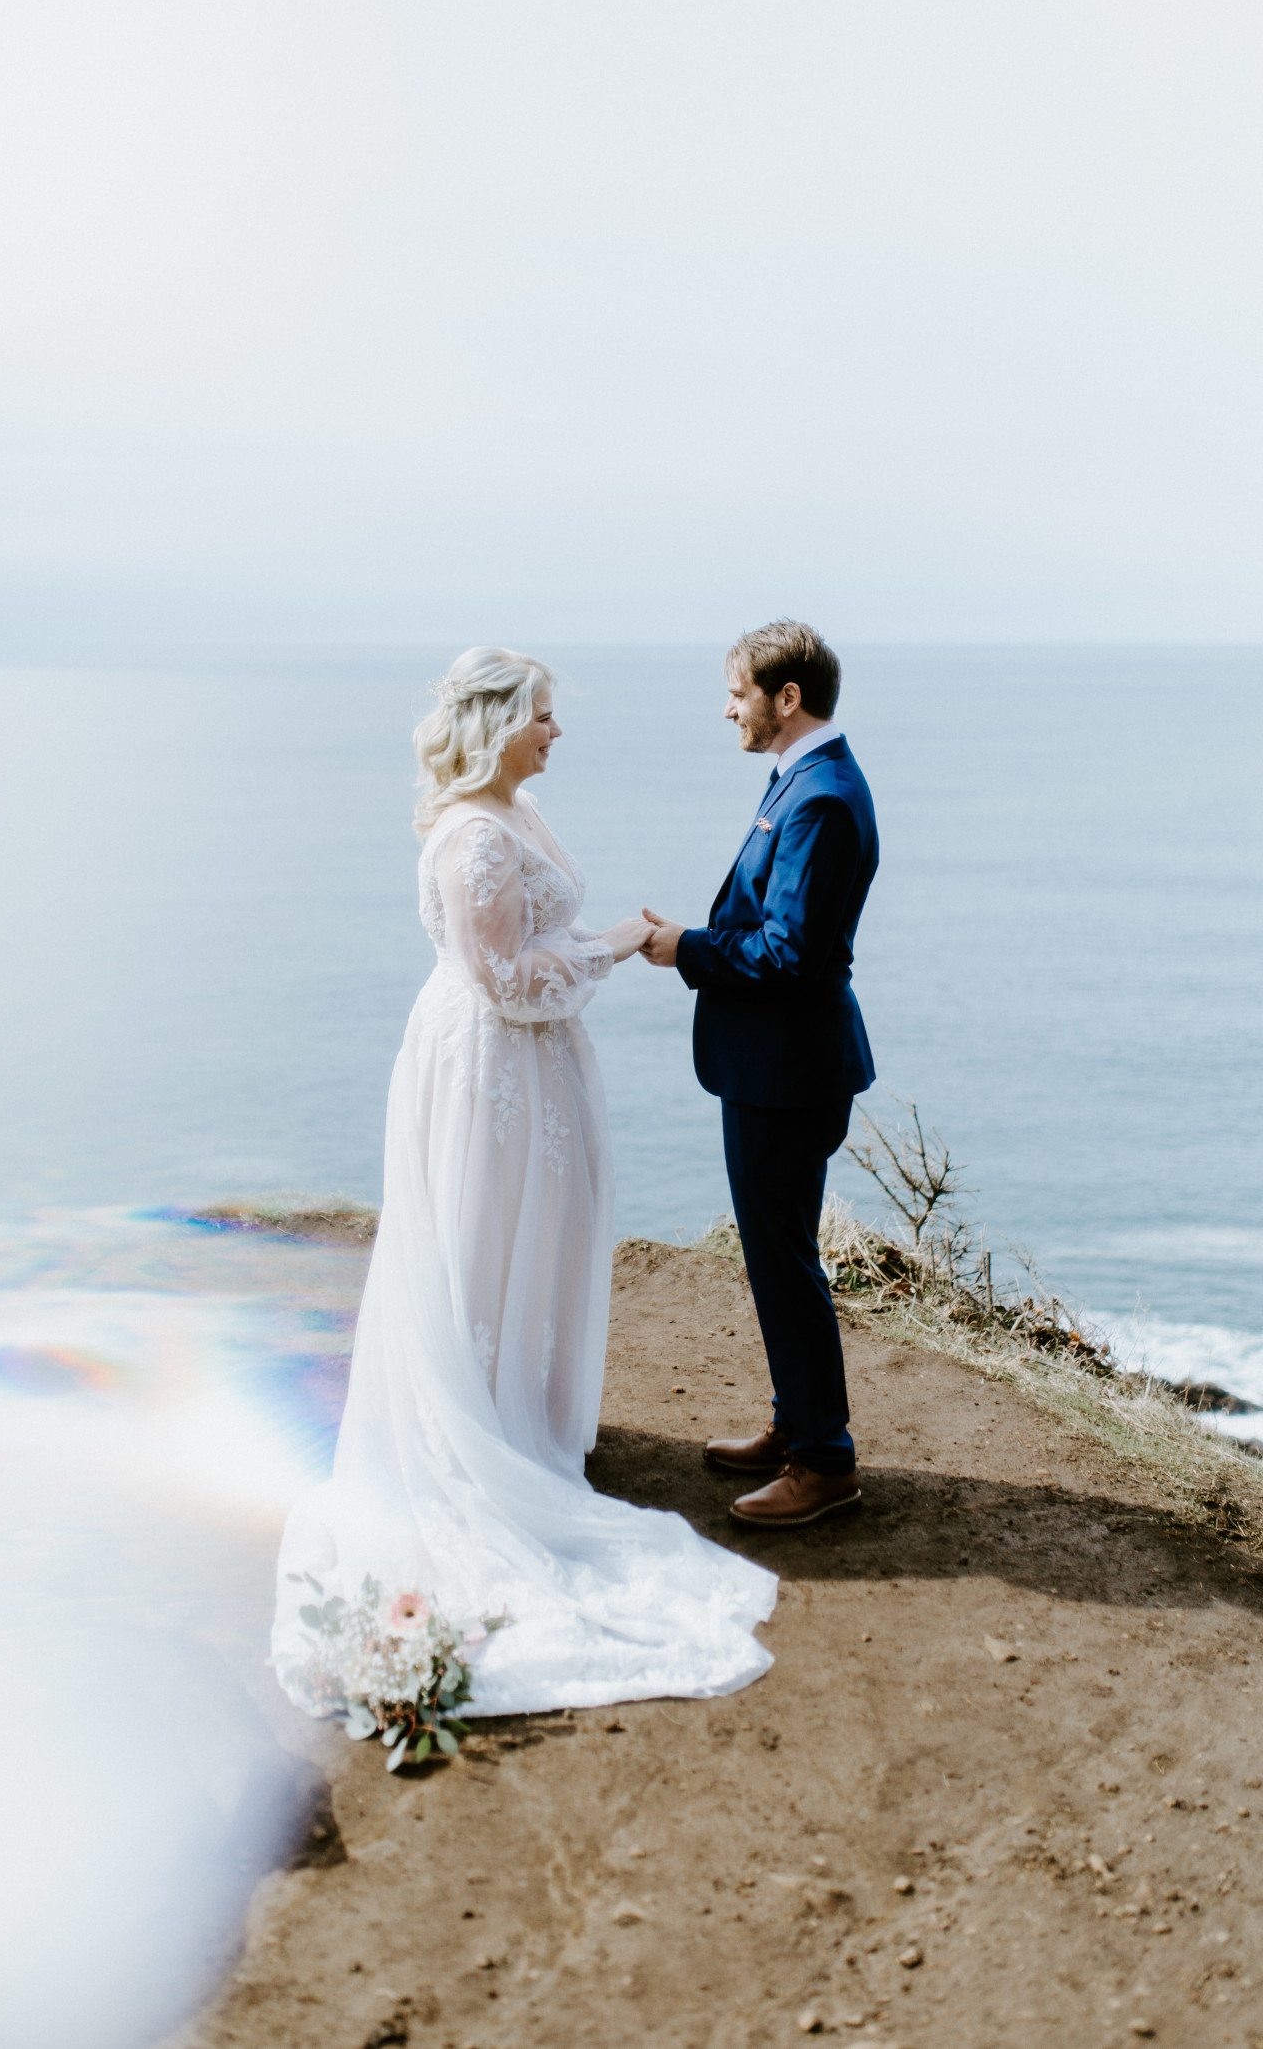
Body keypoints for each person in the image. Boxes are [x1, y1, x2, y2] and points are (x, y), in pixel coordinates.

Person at [272, 648, 776, 1718]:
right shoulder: (470, 836)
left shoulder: (518, 807)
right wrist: (619, 946)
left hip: (536, 1065)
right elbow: (505, 981)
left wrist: (601, 943)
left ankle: (527, 1419)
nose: (555, 732)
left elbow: (532, 950)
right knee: (490, 1237)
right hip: (491, 1066)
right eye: (543, 716)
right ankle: (490, 1435)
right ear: (497, 723)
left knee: (544, 1233)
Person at [640, 620, 878, 1530]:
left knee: (785, 1266)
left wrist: (684, 949)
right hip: (781, 1066)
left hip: (788, 1072)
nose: (727, 707)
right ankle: (795, 1426)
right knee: (777, 1258)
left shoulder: (818, 796)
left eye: (737, 692)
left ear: (787, 699)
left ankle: (825, 1464)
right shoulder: (806, 778)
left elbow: (788, 955)